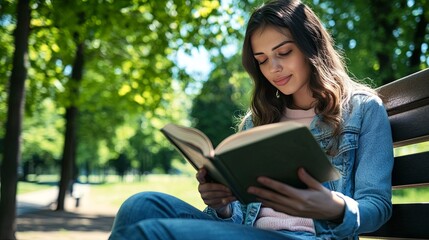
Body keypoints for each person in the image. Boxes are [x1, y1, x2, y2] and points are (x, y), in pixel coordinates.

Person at [109, 0, 393, 239]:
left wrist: (333, 207)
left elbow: (377, 206)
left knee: (149, 233)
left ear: (311, 47)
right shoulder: (257, 121)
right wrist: (222, 206)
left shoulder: (362, 109)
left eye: (283, 52)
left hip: (310, 236)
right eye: (262, 59)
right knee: (140, 205)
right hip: (250, 233)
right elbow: (239, 220)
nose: (274, 68)